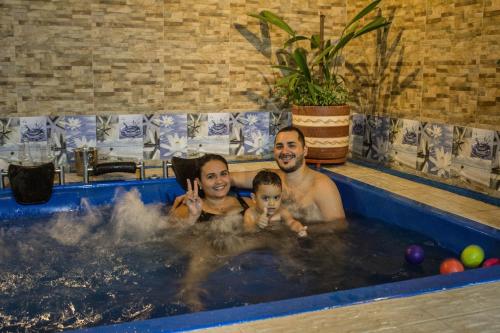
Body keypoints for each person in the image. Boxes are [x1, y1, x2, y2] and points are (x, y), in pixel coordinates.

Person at [232, 126, 346, 228]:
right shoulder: (271, 179)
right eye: (279, 146)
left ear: (304, 151)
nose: (285, 151)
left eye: (291, 145)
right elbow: (229, 179)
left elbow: (339, 230)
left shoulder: (322, 186)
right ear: (274, 152)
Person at [169, 153, 252, 226]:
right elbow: (170, 238)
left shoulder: (249, 203)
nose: (219, 181)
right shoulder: (186, 210)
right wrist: (192, 218)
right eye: (210, 177)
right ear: (199, 182)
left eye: (223, 174)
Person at [244, 170, 308, 238]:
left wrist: (299, 228)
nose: (272, 203)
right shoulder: (250, 214)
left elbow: (292, 222)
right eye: (266, 198)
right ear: (254, 198)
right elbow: (247, 231)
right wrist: (256, 224)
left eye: (276, 197)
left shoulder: (282, 212)